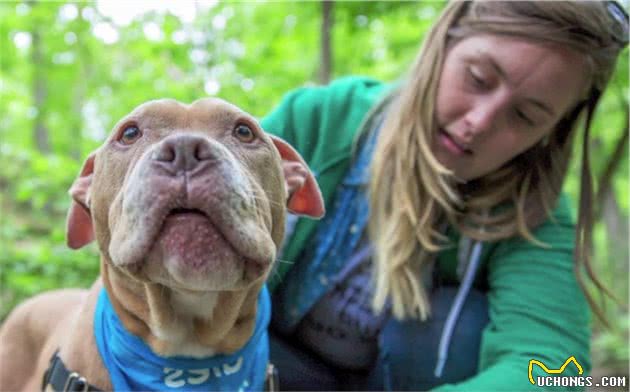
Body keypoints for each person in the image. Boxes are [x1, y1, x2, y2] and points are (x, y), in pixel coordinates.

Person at [261, 1, 628, 390]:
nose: (479, 122)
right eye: (478, 78)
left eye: (525, 116)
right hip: (268, 363)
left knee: (464, 325)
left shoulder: (534, 215)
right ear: (442, 44)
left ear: (552, 131)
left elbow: (557, 370)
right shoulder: (320, 121)